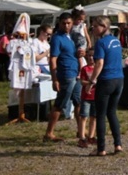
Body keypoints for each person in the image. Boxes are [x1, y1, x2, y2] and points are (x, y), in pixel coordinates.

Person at [88, 15, 125, 156]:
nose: (93, 29)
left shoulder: (101, 43)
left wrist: (92, 81)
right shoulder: (116, 41)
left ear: (104, 27)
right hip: (119, 79)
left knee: (101, 114)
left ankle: (101, 148)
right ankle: (118, 145)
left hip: (106, 80)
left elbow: (99, 63)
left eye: (95, 26)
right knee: (112, 112)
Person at [44, 12, 80, 142]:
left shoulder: (70, 37)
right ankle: (49, 132)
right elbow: (53, 59)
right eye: (64, 23)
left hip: (75, 73)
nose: (66, 25)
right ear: (59, 23)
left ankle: (80, 130)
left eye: (69, 23)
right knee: (60, 103)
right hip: (65, 74)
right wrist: (54, 79)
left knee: (78, 102)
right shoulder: (57, 38)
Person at [6, 13, 37, 125]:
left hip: (25, 67)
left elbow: (32, 54)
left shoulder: (30, 43)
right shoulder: (13, 43)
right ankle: (19, 113)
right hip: (17, 66)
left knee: (24, 87)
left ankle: (22, 113)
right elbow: (9, 51)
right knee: (17, 85)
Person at [78, 47, 97, 146]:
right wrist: (91, 82)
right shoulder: (85, 69)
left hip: (95, 96)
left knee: (94, 117)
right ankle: (82, 137)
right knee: (84, 116)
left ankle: (91, 136)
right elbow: (82, 81)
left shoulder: (98, 68)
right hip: (86, 97)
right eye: (89, 55)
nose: (91, 58)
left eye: (93, 56)